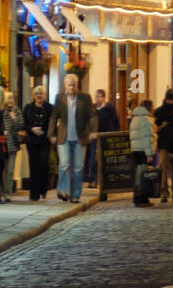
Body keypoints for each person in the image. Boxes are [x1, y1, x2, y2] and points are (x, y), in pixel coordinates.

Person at [52, 73, 96, 203]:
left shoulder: (85, 98)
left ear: (77, 86)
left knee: (78, 167)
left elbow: (92, 115)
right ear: (65, 86)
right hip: (63, 137)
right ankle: (63, 191)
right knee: (64, 164)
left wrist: (93, 131)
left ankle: (76, 194)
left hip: (80, 137)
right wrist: (52, 134)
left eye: (73, 85)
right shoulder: (59, 98)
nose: (71, 87)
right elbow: (54, 117)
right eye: (69, 85)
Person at [23, 84, 54, 201]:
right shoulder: (28, 108)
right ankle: (34, 194)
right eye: (37, 93)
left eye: (41, 93)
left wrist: (50, 134)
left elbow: (53, 122)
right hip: (32, 141)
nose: (39, 95)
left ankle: (43, 190)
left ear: (44, 95)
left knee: (43, 165)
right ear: (33, 95)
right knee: (33, 166)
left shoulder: (49, 108)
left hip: (45, 141)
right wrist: (32, 129)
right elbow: (24, 124)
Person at [87, 88, 120, 187]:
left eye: (99, 96)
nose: (96, 99)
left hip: (107, 137)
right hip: (95, 136)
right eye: (96, 96)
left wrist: (116, 134)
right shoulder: (92, 108)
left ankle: (107, 180)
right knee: (93, 158)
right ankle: (93, 180)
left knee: (106, 159)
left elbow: (115, 121)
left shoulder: (110, 108)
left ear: (103, 97)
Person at [155, 90, 173, 204]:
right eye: (171, 99)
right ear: (166, 99)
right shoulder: (161, 111)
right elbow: (156, 128)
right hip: (165, 145)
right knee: (165, 170)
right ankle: (165, 193)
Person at [130, 99, 157, 206]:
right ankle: (143, 198)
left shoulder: (134, 118)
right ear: (149, 108)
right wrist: (149, 154)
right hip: (143, 151)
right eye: (152, 106)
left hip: (135, 150)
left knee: (137, 176)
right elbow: (147, 138)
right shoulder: (146, 120)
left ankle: (136, 197)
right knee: (144, 176)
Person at [2, 90, 23, 199]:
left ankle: (7, 194)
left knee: (10, 170)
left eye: (12, 98)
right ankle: (1, 190)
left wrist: (14, 119)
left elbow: (21, 125)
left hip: (12, 144)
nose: (10, 101)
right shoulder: (1, 110)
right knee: (2, 169)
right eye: (8, 98)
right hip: (2, 143)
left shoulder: (16, 110)